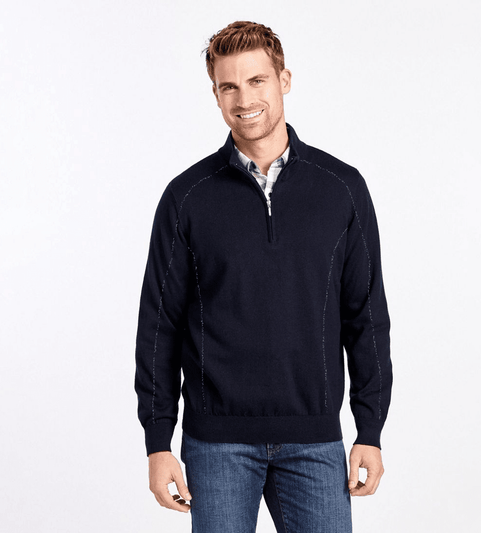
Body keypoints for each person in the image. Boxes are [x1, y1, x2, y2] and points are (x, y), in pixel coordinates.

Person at [135, 20, 393, 532]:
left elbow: (366, 316)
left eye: (257, 80)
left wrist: (370, 429)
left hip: (315, 440)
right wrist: (158, 441)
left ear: (284, 80)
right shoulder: (187, 196)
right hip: (217, 444)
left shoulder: (341, 188)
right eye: (228, 86)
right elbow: (159, 325)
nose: (244, 98)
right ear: (215, 94)